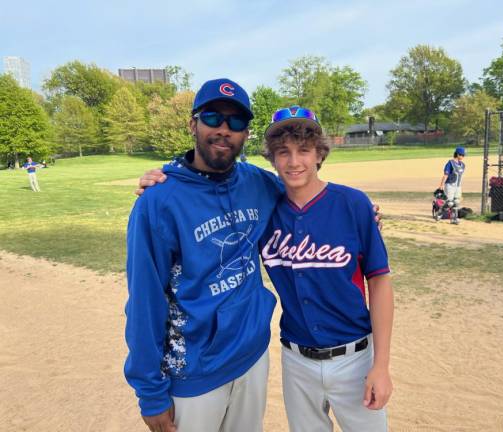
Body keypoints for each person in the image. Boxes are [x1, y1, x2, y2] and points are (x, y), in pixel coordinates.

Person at [124, 78, 284, 432]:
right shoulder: (158, 201)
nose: (224, 130)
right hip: (193, 372)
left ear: (246, 134)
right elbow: (144, 302)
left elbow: (306, 194)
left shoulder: (258, 183)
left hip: (252, 355)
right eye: (213, 117)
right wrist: (150, 393)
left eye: (236, 122)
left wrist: (359, 207)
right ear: (192, 123)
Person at [260, 106, 394, 431]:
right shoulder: (263, 209)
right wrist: (165, 177)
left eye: (304, 150)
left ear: (319, 154)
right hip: (296, 360)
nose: (294, 162)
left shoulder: (353, 204)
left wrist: (381, 366)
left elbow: (379, 282)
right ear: (272, 159)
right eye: (283, 152)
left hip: (355, 358)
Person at [439, 146, 466, 224]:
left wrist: (460, 188)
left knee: (456, 202)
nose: (462, 156)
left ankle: (454, 219)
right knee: (450, 203)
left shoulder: (463, 165)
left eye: (463, 155)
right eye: (461, 155)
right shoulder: (450, 163)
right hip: (449, 185)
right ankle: (440, 212)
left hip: (458, 186)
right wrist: (441, 185)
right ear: (457, 154)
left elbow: (460, 177)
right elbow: (445, 175)